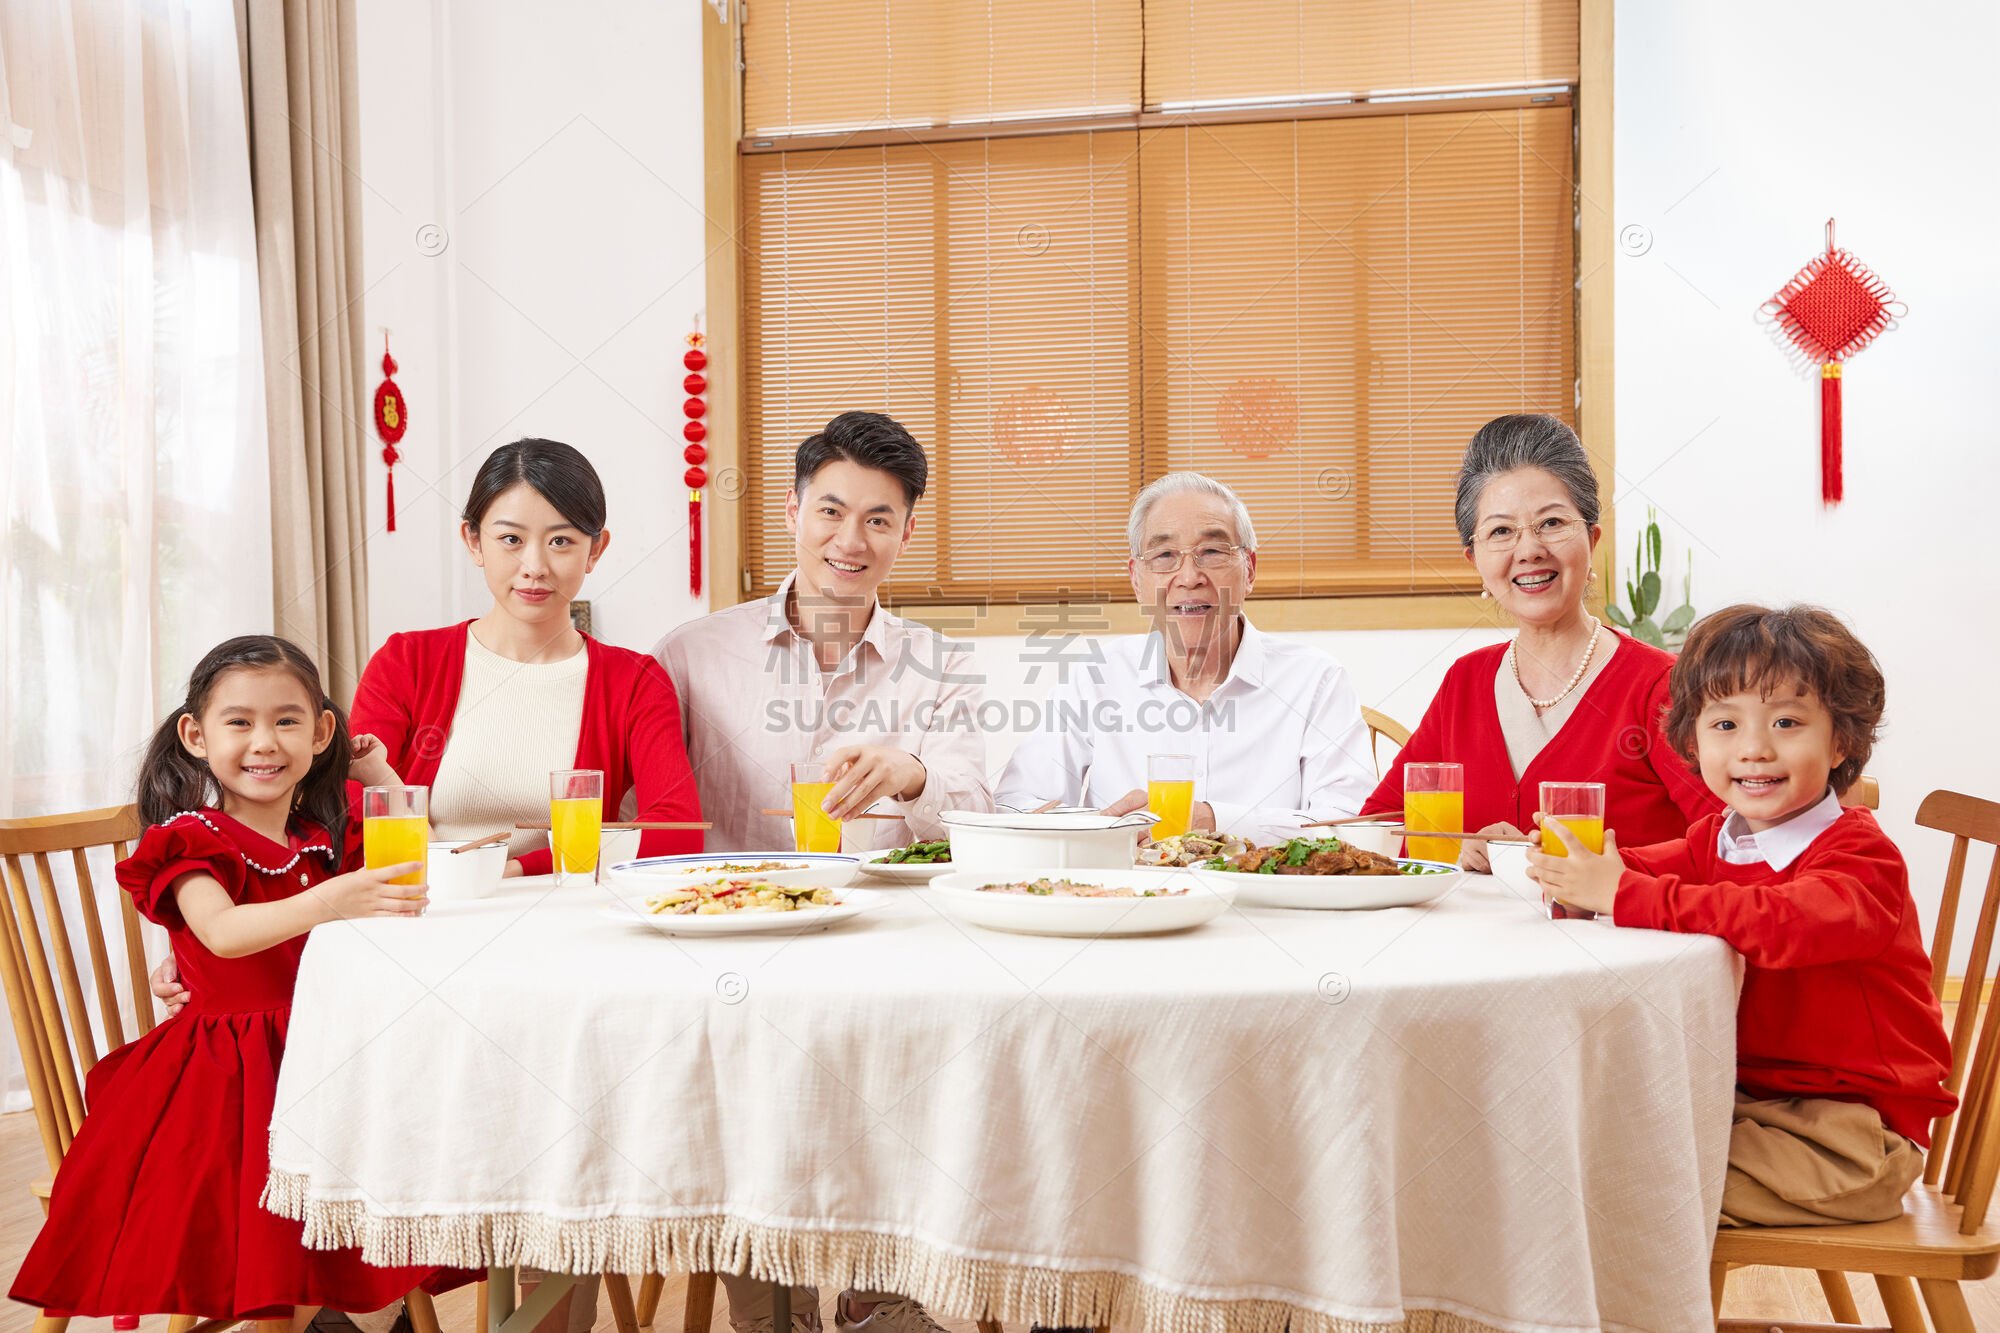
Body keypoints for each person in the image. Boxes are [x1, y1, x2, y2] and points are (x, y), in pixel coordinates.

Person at [10, 637, 469, 1326]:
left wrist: (381, 777)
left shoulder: (318, 836)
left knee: (409, 1137)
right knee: (279, 1208)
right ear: (196, 735)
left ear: (321, 733)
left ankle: (349, 1309)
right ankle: (326, 1308)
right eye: (240, 722)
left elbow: (420, 855)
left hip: (314, 1056)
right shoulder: (191, 837)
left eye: (287, 720)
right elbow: (222, 932)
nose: (265, 741)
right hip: (226, 1079)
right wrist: (332, 900)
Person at [655, 410, 987, 1333]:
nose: (851, 539)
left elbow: (972, 801)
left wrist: (912, 773)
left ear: (907, 532)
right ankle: (768, 1300)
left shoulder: (942, 663)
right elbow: (645, 797)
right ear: (795, 509)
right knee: (746, 1114)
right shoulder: (692, 652)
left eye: (879, 519)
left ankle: (885, 1291)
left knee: (921, 1065)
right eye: (831, 510)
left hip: (882, 945)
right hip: (734, 943)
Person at [1528, 604, 1954, 1226]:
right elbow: (1649, 870)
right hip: (1750, 1104)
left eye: (1786, 722)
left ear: (1841, 742)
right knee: (1574, 1140)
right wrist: (1583, 871)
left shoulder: (1860, 858)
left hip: (1853, 1139)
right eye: (1725, 724)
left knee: (1610, 1187)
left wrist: (1618, 892)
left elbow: (1781, 920)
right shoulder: (1720, 838)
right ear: (1693, 743)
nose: (1754, 748)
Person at [1362, 414, 1720, 868]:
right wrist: (1456, 846)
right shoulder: (1466, 682)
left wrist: (1588, 868)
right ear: (1475, 560)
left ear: (1591, 539)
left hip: (1625, 936)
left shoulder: (1661, 686)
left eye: (1551, 523)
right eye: (1501, 531)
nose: (1528, 549)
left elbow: (1733, 839)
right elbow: (1379, 827)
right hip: (1470, 937)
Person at [996, 472, 1373, 840]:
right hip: (1130, 895)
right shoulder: (1096, 677)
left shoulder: (1315, 679)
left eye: (1212, 552)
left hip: (1268, 898)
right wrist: (1102, 830)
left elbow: (1353, 824)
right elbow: (1016, 805)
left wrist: (1214, 820)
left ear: (1250, 570)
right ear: (1137, 579)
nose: (1189, 576)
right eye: (1164, 555)